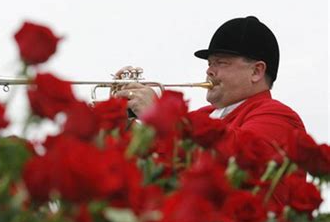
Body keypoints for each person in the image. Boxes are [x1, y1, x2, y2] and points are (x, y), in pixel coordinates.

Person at [113, 16, 306, 150]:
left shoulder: (279, 117)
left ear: (256, 71)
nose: (209, 71)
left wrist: (159, 115)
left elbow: (238, 154)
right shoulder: (201, 116)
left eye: (221, 63)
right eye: (210, 63)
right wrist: (123, 126)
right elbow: (156, 161)